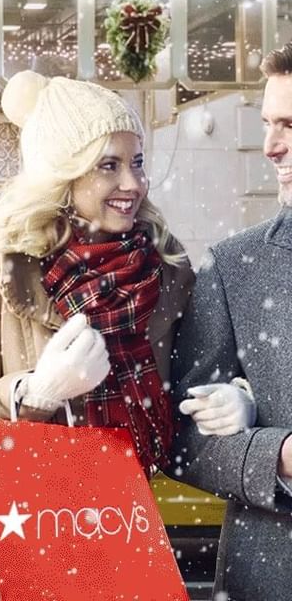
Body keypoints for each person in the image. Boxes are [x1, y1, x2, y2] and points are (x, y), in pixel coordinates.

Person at [0, 70, 239, 474]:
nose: (134, 183)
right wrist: (34, 393)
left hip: (126, 518)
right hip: (29, 518)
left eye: (137, 163)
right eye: (109, 165)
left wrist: (231, 400)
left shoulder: (166, 268)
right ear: (63, 174)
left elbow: (190, 399)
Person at [171, 44, 292, 599]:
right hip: (274, 572)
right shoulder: (234, 266)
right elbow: (183, 438)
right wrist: (278, 455)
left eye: (289, 125)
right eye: (268, 123)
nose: (270, 146)